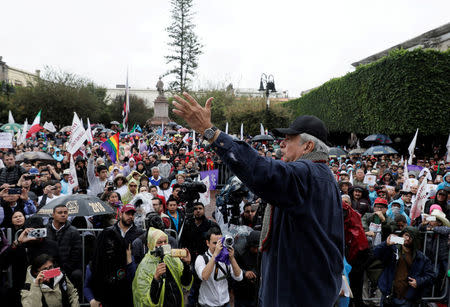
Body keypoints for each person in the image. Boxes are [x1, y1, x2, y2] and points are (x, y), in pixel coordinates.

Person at [173, 93, 343, 306]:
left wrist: (212, 133)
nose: (282, 144)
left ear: (308, 147)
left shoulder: (307, 174)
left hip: (298, 293)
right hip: (305, 288)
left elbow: (263, 172)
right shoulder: (322, 177)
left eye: (289, 139)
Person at [373, 227, 435, 306]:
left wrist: (418, 281)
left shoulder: (421, 258)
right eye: (406, 235)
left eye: (410, 236)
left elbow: (431, 276)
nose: (407, 238)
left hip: (407, 299)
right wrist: (385, 244)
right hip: (389, 296)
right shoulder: (392, 250)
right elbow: (376, 253)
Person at [132, 227, 193, 306]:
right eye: (159, 242)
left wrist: (186, 265)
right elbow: (145, 301)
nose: (163, 245)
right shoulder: (144, 267)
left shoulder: (173, 259)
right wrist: (156, 279)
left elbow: (185, 283)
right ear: (150, 245)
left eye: (165, 241)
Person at [178, 202, 219, 307]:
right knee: (192, 288)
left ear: (204, 210)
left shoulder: (211, 225)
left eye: (200, 208)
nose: (198, 210)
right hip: (191, 261)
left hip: (206, 261)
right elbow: (182, 241)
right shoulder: (187, 224)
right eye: (195, 208)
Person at [84, 228, 136, 307]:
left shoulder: (126, 260)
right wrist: (91, 300)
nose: (111, 248)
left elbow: (134, 281)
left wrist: (129, 261)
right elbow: (86, 286)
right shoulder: (93, 265)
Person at [195, 227, 243, 307]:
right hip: (207, 305)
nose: (218, 246)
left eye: (220, 242)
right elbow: (204, 276)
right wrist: (215, 256)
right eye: (215, 243)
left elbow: (239, 277)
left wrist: (232, 258)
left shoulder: (226, 257)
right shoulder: (201, 258)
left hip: (225, 303)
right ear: (207, 243)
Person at [45, 204, 82, 292]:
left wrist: (61, 271)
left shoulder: (73, 231)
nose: (63, 215)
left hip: (67, 269)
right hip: (48, 268)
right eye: (60, 212)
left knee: (77, 275)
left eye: (65, 212)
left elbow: (76, 255)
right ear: (53, 214)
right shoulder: (45, 230)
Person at [233, 230, 261, 307]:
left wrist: (254, 273)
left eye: (257, 247)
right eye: (254, 247)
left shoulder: (260, 251)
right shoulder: (239, 250)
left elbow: (261, 266)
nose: (256, 250)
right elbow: (232, 267)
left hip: (255, 290)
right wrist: (245, 272)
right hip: (241, 289)